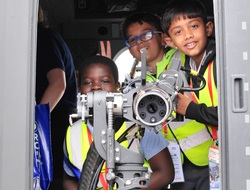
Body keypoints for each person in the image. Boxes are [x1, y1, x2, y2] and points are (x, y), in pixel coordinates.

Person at [63, 55, 175, 190]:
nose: (96, 87)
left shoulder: (139, 126)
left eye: (104, 81)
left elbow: (165, 174)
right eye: (88, 82)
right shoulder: (72, 132)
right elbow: (69, 179)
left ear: (117, 87)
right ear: (80, 89)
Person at [160, 0, 218, 189]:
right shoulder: (183, 65)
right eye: (178, 32)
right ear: (169, 41)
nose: (188, 35)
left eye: (194, 26)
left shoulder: (220, 61)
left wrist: (191, 110)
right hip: (208, 156)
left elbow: (236, 115)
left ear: (208, 28)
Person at [36, 5, 78, 189]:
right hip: (55, 119)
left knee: (51, 181)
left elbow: (58, 84)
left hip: (53, 121)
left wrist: (35, 124)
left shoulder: (45, 38)